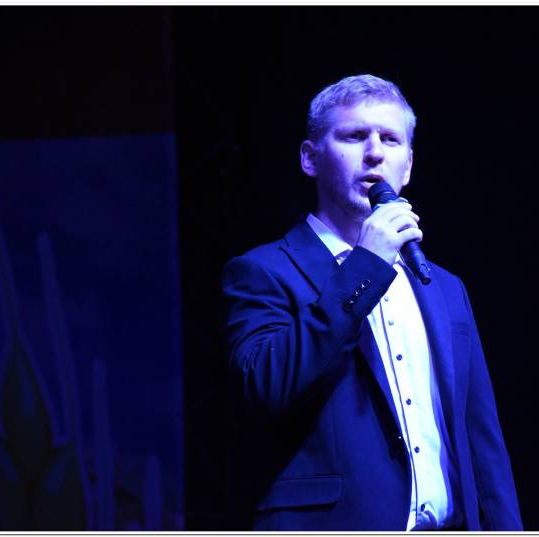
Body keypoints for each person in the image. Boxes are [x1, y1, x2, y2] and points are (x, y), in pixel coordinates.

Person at [222, 74, 523, 531]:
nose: (375, 153)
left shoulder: (444, 286)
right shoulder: (263, 271)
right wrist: (365, 265)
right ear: (310, 158)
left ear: (409, 165)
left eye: (390, 139)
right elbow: (267, 386)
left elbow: (483, 439)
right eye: (354, 136)